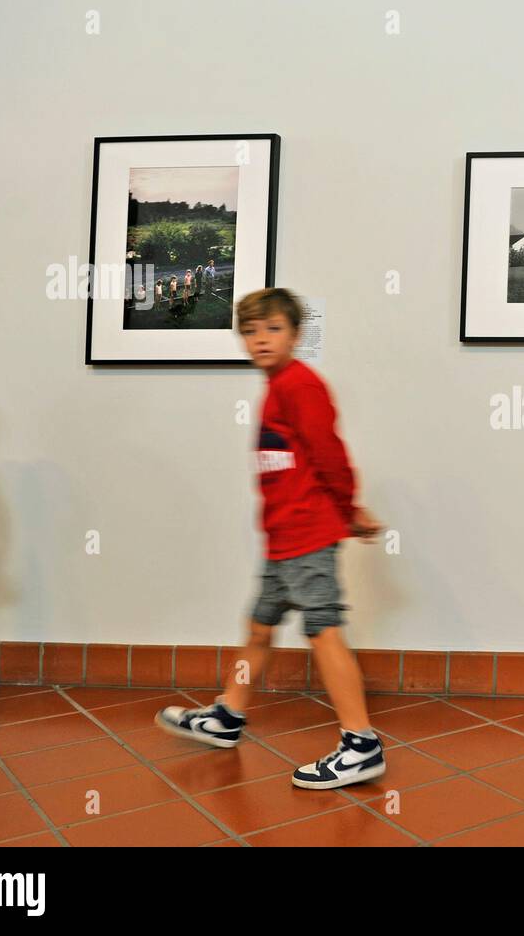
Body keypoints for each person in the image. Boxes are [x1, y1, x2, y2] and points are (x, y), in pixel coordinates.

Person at [156, 288, 386, 790]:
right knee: (259, 628)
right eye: (251, 331)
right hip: (282, 538)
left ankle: (361, 744)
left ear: (296, 335)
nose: (261, 339)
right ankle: (229, 715)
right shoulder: (277, 386)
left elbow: (330, 455)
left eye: (273, 329)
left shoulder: (300, 384)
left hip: (308, 534)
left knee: (323, 629)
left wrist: (348, 512)